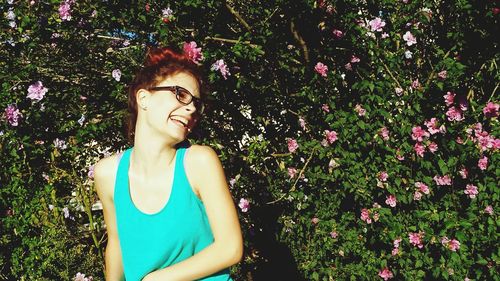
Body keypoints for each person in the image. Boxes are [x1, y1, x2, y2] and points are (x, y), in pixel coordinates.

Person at [93, 46, 243, 281]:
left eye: (196, 103)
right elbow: (117, 245)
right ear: (143, 97)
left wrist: (157, 279)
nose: (192, 108)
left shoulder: (199, 162)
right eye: (181, 94)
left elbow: (230, 248)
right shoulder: (107, 174)